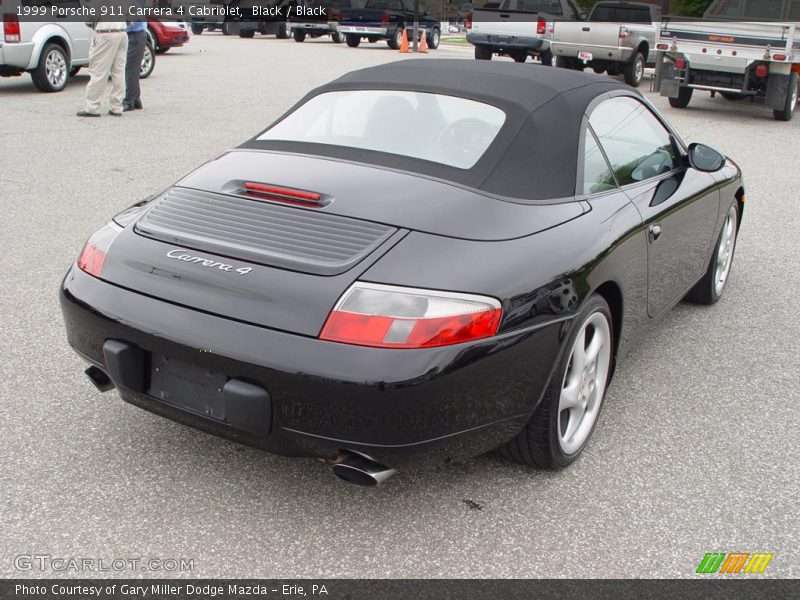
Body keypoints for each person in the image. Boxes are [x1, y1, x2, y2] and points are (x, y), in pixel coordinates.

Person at [77, 20, 128, 117]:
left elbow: (92, 15)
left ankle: (93, 107)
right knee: (118, 73)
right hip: (122, 32)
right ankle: (117, 107)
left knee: (98, 72)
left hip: (106, 33)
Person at [123, 10, 147, 111]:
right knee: (133, 68)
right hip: (136, 33)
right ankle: (136, 98)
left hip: (135, 33)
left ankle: (129, 101)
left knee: (130, 69)